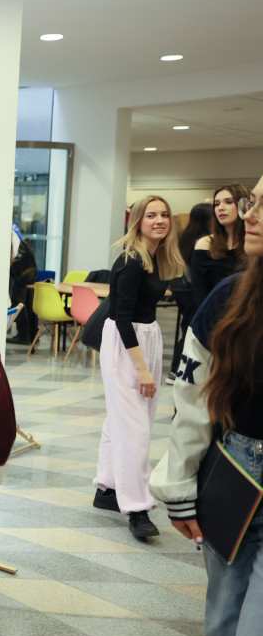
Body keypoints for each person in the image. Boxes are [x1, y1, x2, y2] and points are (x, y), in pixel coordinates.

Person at [150, 173, 263, 636]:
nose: (249, 215)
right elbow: (192, 398)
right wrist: (179, 488)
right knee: (223, 624)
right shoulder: (230, 297)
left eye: (260, 206)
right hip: (238, 467)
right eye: (250, 202)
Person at [92, 195, 184, 538]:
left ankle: (107, 489)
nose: (159, 220)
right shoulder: (132, 259)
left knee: (123, 419)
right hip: (126, 341)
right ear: (138, 221)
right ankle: (137, 507)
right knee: (135, 428)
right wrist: (142, 368)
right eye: (151, 215)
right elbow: (121, 318)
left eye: (164, 215)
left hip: (146, 336)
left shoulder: (155, 256)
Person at [166, 202, 214, 381]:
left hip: (180, 288)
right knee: (190, 329)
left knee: (186, 326)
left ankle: (176, 369)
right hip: (193, 290)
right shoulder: (203, 241)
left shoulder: (185, 237)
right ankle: (176, 370)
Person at [191, 184, 249, 311]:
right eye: (216, 204)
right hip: (216, 314)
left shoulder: (255, 242)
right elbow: (201, 293)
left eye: (229, 202)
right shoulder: (205, 244)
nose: (220, 208)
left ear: (244, 206)